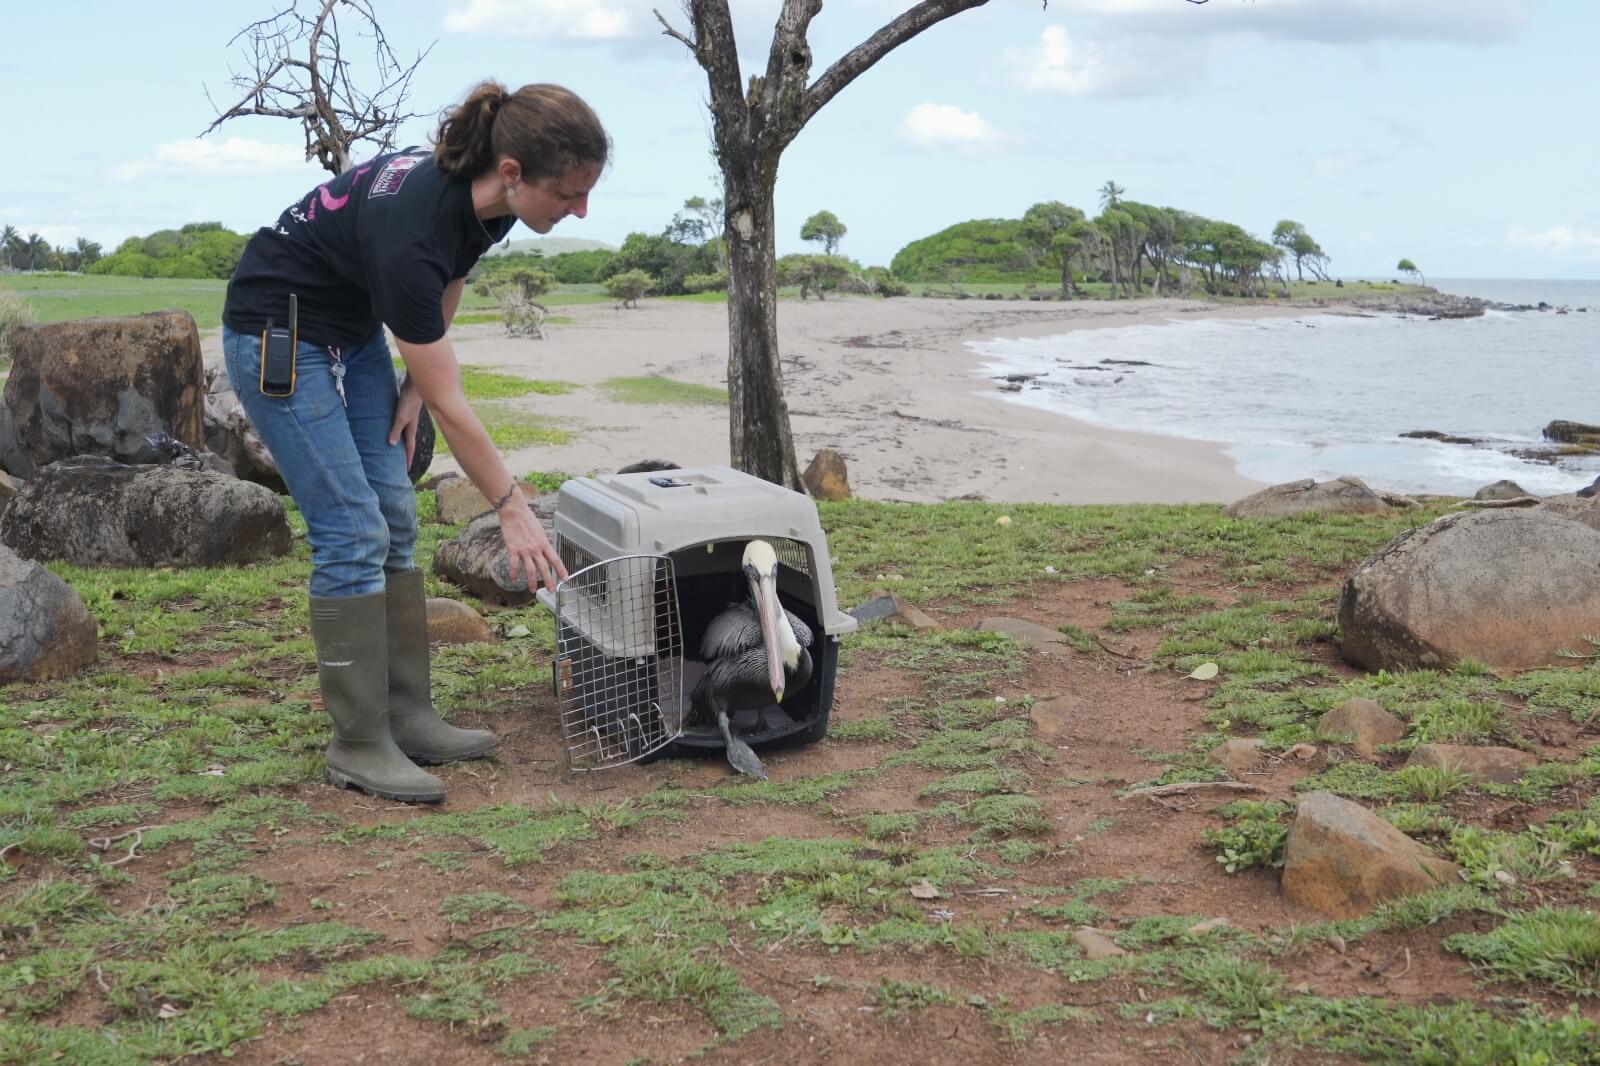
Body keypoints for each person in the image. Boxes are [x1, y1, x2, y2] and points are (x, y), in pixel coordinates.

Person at [221, 81, 607, 803]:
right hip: (281, 331)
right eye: (569, 194)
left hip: (356, 328)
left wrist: (409, 384)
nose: (580, 210)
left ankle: (408, 714)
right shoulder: (413, 225)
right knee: (350, 527)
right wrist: (511, 506)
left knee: (395, 513)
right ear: (515, 172)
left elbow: (449, 281)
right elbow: (455, 409)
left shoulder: (489, 208)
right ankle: (359, 743)